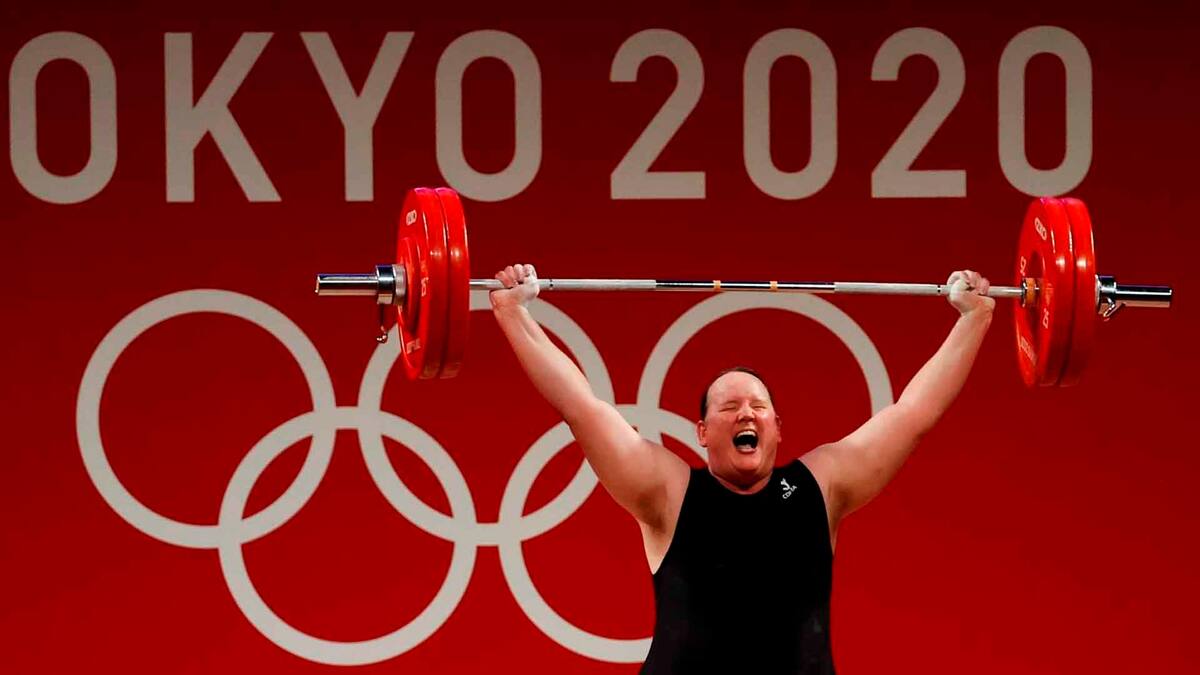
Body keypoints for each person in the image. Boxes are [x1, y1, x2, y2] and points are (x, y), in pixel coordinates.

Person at [490, 263, 995, 674]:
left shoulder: (822, 485)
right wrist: (514, 313)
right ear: (702, 432)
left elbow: (912, 416)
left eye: (757, 406)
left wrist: (973, 320)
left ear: (778, 427)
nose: (746, 414)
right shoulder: (668, 493)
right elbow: (582, 408)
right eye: (729, 407)